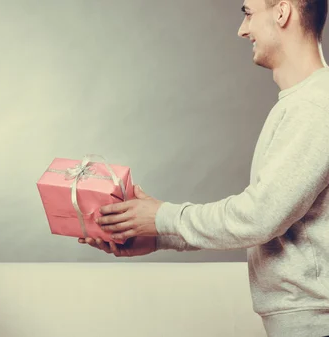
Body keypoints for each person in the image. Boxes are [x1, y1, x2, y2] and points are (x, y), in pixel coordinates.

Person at [80, 0, 329, 336]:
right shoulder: (301, 105)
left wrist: (162, 218)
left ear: (282, 12)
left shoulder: (315, 106)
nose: (243, 30)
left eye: (248, 13)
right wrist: (156, 235)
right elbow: (266, 221)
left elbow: (258, 218)